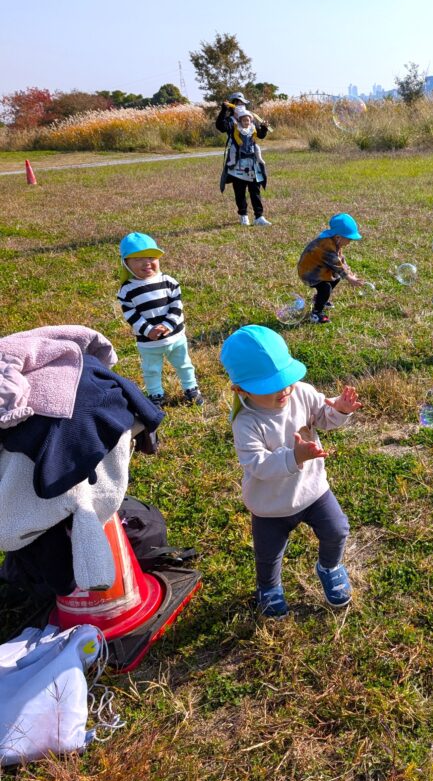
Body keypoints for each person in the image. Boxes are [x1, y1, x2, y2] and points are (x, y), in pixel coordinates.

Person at [220, 325, 362, 617]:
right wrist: (294, 456)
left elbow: (323, 418)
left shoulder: (302, 392)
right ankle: (269, 588)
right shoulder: (246, 423)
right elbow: (256, 465)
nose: (284, 390)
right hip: (270, 504)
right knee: (268, 555)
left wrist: (341, 410)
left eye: (287, 379)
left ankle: (330, 566)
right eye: (271, 387)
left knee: (337, 530)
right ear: (241, 389)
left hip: (313, 490)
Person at [117, 232, 204, 406]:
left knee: (184, 364)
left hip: (175, 336)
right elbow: (131, 315)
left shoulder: (169, 281)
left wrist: (167, 325)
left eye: (151, 257)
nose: (146, 263)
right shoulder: (126, 290)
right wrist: (148, 330)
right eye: (138, 259)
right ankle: (156, 395)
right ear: (126, 264)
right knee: (151, 370)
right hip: (148, 341)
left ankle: (191, 388)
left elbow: (176, 305)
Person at [297, 213, 366, 323]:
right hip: (310, 273)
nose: (349, 242)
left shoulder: (335, 242)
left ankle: (318, 299)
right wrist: (349, 278)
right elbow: (336, 265)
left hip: (320, 269)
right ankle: (316, 313)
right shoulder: (326, 246)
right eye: (349, 239)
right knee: (325, 288)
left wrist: (349, 273)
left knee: (336, 277)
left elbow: (341, 260)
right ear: (338, 237)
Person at [215, 92, 271, 227]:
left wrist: (263, 129)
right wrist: (223, 111)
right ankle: (243, 215)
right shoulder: (230, 121)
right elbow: (220, 127)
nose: (241, 106)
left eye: (243, 104)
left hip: (252, 161)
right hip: (237, 161)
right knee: (239, 191)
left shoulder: (249, 119)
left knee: (255, 190)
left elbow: (260, 135)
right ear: (233, 104)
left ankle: (259, 217)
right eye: (238, 103)